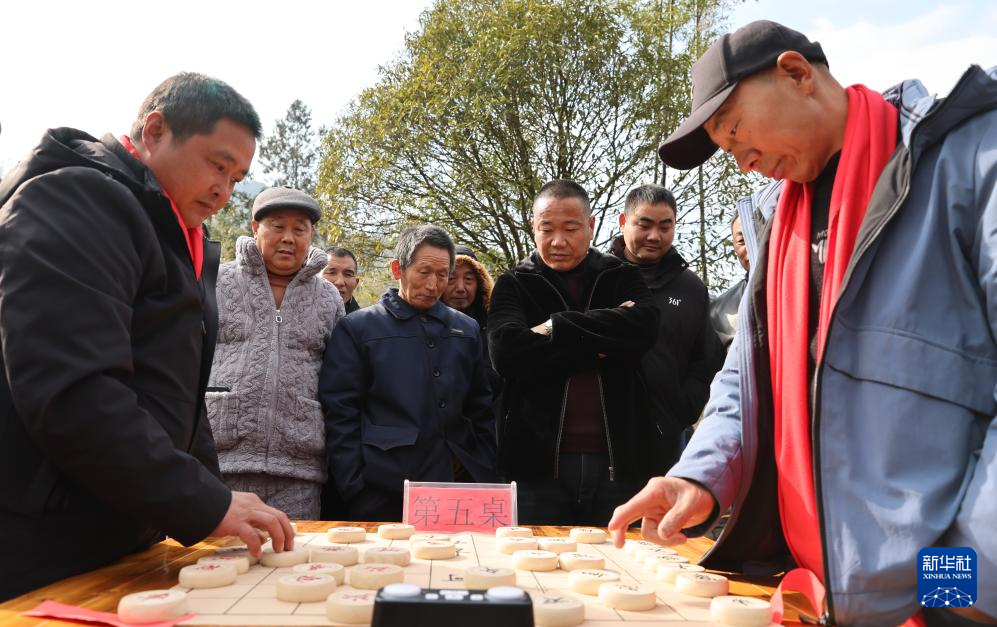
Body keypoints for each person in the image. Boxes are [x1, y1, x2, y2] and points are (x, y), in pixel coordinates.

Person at [608, 20, 997, 626]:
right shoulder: (778, 225)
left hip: (950, 595)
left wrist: (966, 585)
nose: (743, 161)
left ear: (796, 74)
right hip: (817, 590)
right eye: (727, 149)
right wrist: (699, 479)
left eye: (735, 130)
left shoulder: (966, 160)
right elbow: (746, 380)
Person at [0, 73, 294, 601]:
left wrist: (214, 497)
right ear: (155, 130)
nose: (224, 191)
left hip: (121, 533)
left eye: (237, 178)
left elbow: (176, 399)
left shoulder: (179, 235)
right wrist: (204, 504)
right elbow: (74, 392)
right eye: (217, 165)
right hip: (45, 542)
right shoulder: (77, 199)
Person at [488, 179, 659, 526]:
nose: (558, 241)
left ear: (591, 225)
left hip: (618, 460)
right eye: (546, 229)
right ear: (533, 227)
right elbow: (507, 353)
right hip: (536, 464)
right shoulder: (515, 283)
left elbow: (643, 329)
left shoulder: (620, 275)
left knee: (616, 556)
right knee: (536, 557)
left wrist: (554, 326)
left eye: (570, 228)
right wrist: (602, 341)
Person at [320, 225, 498, 522]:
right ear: (397, 269)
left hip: (457, 485)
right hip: (383, 488)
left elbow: (480, 408)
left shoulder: (466, 329)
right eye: (424, 272)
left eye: (442, 275)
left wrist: (481, 465)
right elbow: (341, 414)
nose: (433, 284)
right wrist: (355, 487)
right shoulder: (359, 329)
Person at [208, 186, 346, 520]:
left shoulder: (328, 298)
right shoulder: (216, 281)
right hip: (217, 462)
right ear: (256, 228)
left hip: (299, 471)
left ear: (311, 235)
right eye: (278, 226)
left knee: (294, 551)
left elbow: (341, 380)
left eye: (299, 229)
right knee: (217, 552)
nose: (288, 238)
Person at [610, 184, 724, 468]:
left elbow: (706, 360)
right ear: (623, 221)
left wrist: (680, 411)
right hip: (599, 440)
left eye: (665, 226)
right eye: (644, 224)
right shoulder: (596, 276)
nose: (654, 236)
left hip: (665, 442)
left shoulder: (691, 288)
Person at [709, 212, 751, 350]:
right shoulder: (719, 311)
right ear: (734, 245)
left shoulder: (804, 290)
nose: (751, 247)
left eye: (759, 236)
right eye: (742, 241)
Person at [324, 246, 361, 313]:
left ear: (356, 283)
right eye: (331, 272)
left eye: (348, 274)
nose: (340, 282)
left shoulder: (361, 319)